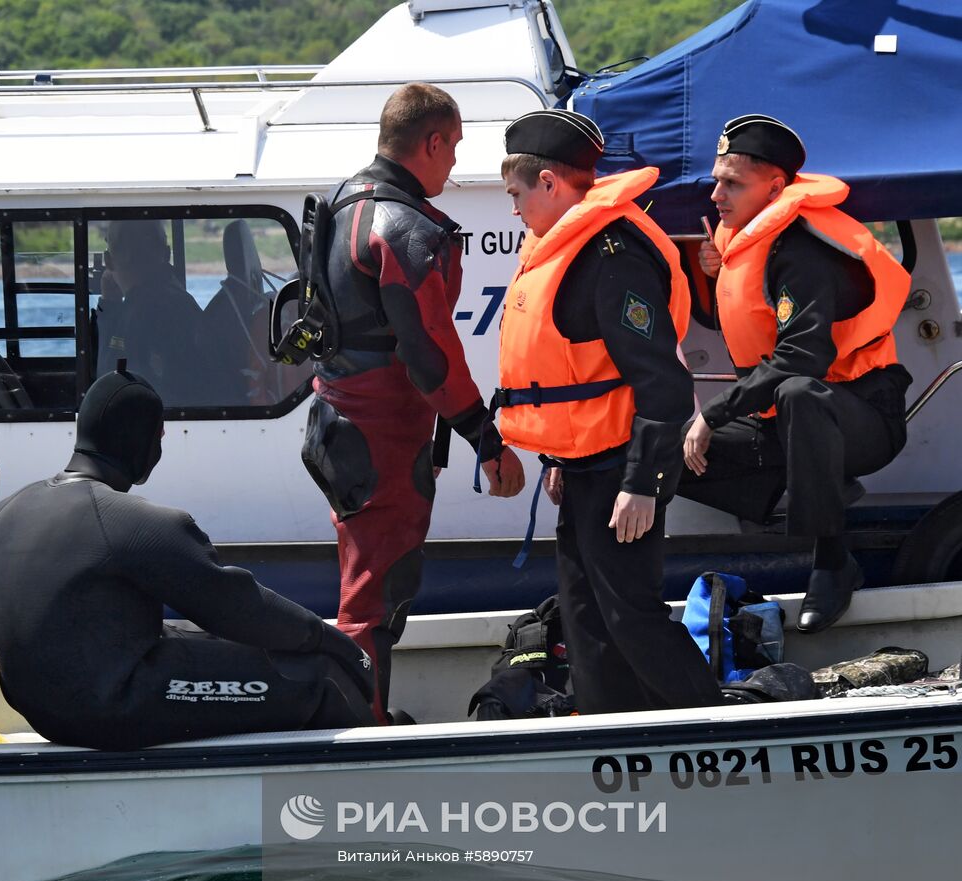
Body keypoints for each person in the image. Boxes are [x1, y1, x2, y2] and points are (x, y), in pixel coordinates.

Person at [0, 366, 376, 751]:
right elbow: (238, 607)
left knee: (195, 638)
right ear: (140, 440)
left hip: (44, 712)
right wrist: (334, 643)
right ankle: (359, 804)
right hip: (117, 708)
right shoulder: (140, 525)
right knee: (318, 678)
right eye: (158, 439)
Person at [492, 108, 723, 714]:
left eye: (516, 192)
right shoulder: (565, 248)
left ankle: (717, 729)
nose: (512, 208)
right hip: (586, 463)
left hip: (623, 466)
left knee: (630, 614)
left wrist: (643, 483)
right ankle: (609, 735)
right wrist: (559, 455)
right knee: (584, 614)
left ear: (549, 183)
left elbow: (664, 382)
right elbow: (580, 370)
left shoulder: (611, 257)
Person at [304, 82, 522, 721]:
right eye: (452, 148)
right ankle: (360, 728)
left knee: (367, 586)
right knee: (375, 598)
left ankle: (366, 715)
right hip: (382, 437)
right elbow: (429, 354)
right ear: (429, 142)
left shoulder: (347, 202)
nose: (454, 164)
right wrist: (487, 439)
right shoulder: (405, 226)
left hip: (336, 420)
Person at [681, 115, 912, 633]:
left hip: (861, 415)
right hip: (778, 420)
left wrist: (712, 415)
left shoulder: (804, 251)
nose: (717, 194)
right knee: (655, 456)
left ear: (776, 187)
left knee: (800, 392)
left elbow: (801, 359)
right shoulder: (741, 238)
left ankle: (833, 562)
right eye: (716, 179)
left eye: (733, 183)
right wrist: (722, 275)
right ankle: (799, 481)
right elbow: (751, 328)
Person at [95, 219, 211, 406]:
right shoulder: (174, 301)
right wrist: (111, 304)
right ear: (166, 254)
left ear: (108, 260)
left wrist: (109, 306)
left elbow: (108, 383)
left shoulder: (146, 311)